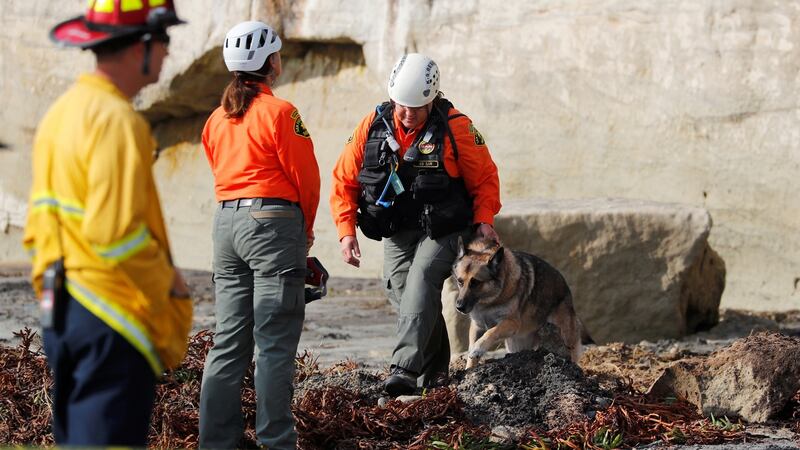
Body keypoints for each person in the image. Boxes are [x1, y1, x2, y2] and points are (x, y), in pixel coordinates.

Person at [22, 0, 192, 446]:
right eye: (165, 40)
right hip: (109, 314)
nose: (169, 52)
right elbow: (114, 234)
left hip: (62, 308)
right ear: (143, 47)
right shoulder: (118, 121)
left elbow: (41, 223)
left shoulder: (61, 114)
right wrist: (169, 283)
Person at [330, 53, 501, 396]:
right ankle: (435, 374)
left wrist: (483, 221)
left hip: (444, 229)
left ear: (433, 98)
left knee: (421, 278)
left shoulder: (457, 128)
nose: (408, 114)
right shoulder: (372, 125)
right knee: (402, 292)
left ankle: (404, 370)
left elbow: (485, 179)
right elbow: (344, 180)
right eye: (402, 106)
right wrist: (346, 231)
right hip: (398, 228)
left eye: (418, 107)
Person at [198, 21, 320, 450]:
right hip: (271, 224)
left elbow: (219, 171)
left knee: (229, 340)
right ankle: (277, 442)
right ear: (271, 63)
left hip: (226, 225)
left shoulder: (216, 119)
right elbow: (305, 177)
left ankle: (216, 442)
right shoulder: (282, 112)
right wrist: (304, 233)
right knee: (274, 342)